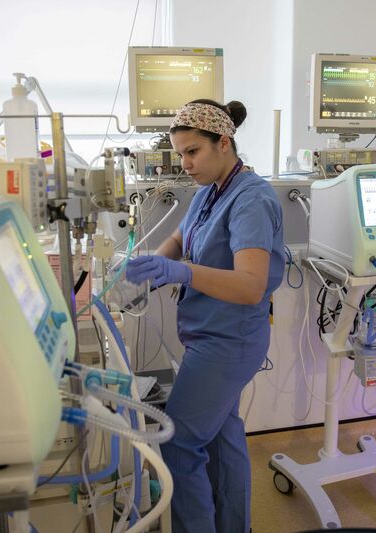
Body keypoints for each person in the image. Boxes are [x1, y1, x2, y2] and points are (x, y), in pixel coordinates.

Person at [125, 99, 285, 533]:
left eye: (193, 152)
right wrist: (147, 270)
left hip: (228, 342)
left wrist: (181, 272)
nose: (185, 163)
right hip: (210, 334)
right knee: (220, 436)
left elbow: (251, 285)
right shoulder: (208, 193)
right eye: (180, 153)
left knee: (178, 446)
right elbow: (178, 239)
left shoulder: (251, 200)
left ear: (224, 143)